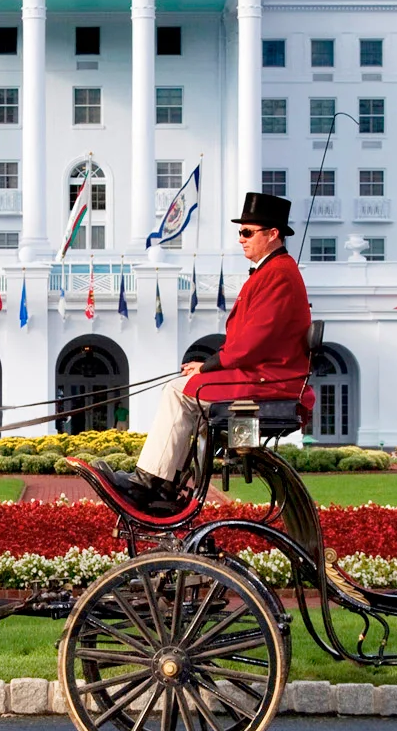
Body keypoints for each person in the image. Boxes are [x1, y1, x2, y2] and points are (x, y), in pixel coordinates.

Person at [93, 191, 312, 506]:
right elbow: (250, 341)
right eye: (240, 232)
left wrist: (209, 366)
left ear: (272, 234)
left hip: (271, 378)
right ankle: (164, 485)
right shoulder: (275, 271)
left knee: (180, 391)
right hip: (267, 373)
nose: (241, 239)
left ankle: (149, 483)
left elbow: (253, 342)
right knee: (186, 387)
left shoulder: (278, 274)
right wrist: (209, 366)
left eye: (248, 232)